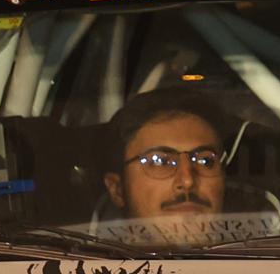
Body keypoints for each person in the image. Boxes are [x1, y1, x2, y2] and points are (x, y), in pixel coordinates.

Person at [102, 89, 238, 248]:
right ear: (117, 189)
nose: (187, 180)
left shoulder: (265, 264)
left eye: (205, 161)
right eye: (160, 161)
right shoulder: (80, 267)